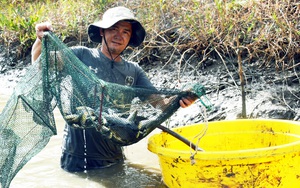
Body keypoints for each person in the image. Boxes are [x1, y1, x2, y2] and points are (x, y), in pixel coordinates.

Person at [31, 6, 196, 172]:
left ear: (130, 38)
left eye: (126, 31)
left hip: (113, 159)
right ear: (102, 31)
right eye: (113, 29)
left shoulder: (134, 72)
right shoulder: (81, 56)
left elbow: (160, 103)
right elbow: (42, 65)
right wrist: (40, 40)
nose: (119, 36)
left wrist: (182, 99)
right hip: (74, 158)